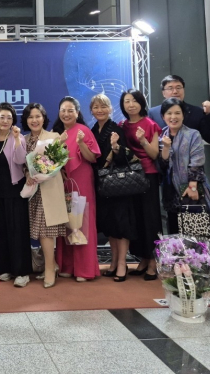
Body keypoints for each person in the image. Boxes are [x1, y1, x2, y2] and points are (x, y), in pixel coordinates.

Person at [52, 97, 101, 282]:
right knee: (65, 222)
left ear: (77, 113)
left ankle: (84, 269)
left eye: (70, 110)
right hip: (62, 181)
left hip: (81, 180)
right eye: (63, 110)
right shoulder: (57, 133)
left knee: (82, 221)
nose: (66, 114)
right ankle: (67, 265)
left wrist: (81, 143)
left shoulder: (84, 131)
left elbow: (92, 158)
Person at [89, 94, 137, 283]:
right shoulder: (93, 130)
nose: (99, 110)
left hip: (118, 185)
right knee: (110, 225)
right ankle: (114, 261)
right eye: (96, 107)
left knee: (121, 224)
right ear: (91, 111)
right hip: (101, 185)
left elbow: (125, 157)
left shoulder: (117, 129)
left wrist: (116, 146)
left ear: (110, 109)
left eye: (103, 106)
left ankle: (123, 263)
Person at [22, 103, 69, 288]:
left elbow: (59, 161)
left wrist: (45, 168)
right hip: (32, 191)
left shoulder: (54, 136)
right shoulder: (24, 139)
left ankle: (50, 268)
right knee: (40, 231)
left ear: (44, 118)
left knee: (45, 230)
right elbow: (23, 164)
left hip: (49, 188)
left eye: (38, 116)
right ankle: (51, 264)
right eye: (30, 117)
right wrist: (28, 173)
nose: (34, 120)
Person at [158, 98, 210, 236]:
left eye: (177, 113)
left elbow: (197, 162)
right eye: (169, 113)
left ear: (183, 115)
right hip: (170, 191)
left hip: (190, 188)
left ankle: (198, 251)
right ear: (163, 116)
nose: (173, 117)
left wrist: (192, 187)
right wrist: (166, 147)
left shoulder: (193, 134)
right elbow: (162, 165)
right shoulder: (161, 136)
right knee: (174, 233)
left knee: (195, 232)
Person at [119, 89, 163, 280]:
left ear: (141, 103)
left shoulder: (150, 124)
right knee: (136, 219)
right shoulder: (121, 125)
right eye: (127, 101)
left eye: (134, 101)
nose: (131, 105)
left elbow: (154, 154)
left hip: (148, 176)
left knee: (150, 219)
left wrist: (143, 140)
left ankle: (153, 261)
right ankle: (144, 259)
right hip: (129, 178)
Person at [0, 103, 32, 287]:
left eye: (9, 118)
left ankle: (22, 272)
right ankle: (4, 268)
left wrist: (17, 140)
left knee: (17, 231)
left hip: (15, 190)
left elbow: (21, 160)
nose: (5, 121)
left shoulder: (17, 137)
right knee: (0, 230)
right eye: (2, 117)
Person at [148, 75, 210, 144]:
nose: (175, 91)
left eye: (178, 87)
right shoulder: (153, 113)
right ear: (163, 93)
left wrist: (208, 114)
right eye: (170, 88)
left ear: (183, 90)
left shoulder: (197, 111)